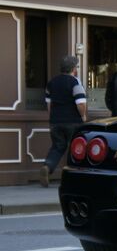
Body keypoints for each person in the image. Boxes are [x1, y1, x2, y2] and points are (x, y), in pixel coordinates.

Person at [40, 55, 87, 187]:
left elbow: (49, 104)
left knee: (57, 146)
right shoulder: (75, 82)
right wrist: (83, 116)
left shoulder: (52, 83)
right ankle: (74, 178)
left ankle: (47, 167)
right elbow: (81, 103)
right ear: (73, 69)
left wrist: (53, 117)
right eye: (77, 67)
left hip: (55, 121)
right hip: (73, 121)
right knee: (76, 148)